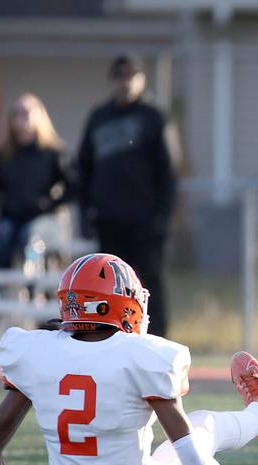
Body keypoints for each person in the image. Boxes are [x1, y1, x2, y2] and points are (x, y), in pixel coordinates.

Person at [0, 253, 258, 465]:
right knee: (201, 427)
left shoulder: (37, 353)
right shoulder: (142, 355)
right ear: (116, 304)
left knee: (166, 452)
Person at [78, 54, 176, 337]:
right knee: (109, 282)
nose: (125, 83)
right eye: (119, 77)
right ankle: (114, 333)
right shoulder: (99, 118)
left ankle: (156, 336)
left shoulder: (154, 118)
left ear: (142, 80)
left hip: (144, 219)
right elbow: (84, 168)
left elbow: (168, 173)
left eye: (131, 76)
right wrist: (86, 211)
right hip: (108, 218)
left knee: (149, 282)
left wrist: (162, 217)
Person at [0, 94, 71, 268]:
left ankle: (33, 287)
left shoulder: (54, 153)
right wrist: (2, 204)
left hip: (45, 218)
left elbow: (74, 185)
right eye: (16, 114)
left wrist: (51, 203)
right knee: (1, 234)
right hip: (11, 218)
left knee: (31, 237)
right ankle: (6, 286)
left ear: (39, 116)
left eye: (26, 113)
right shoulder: (3, 156)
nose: (21, 119)